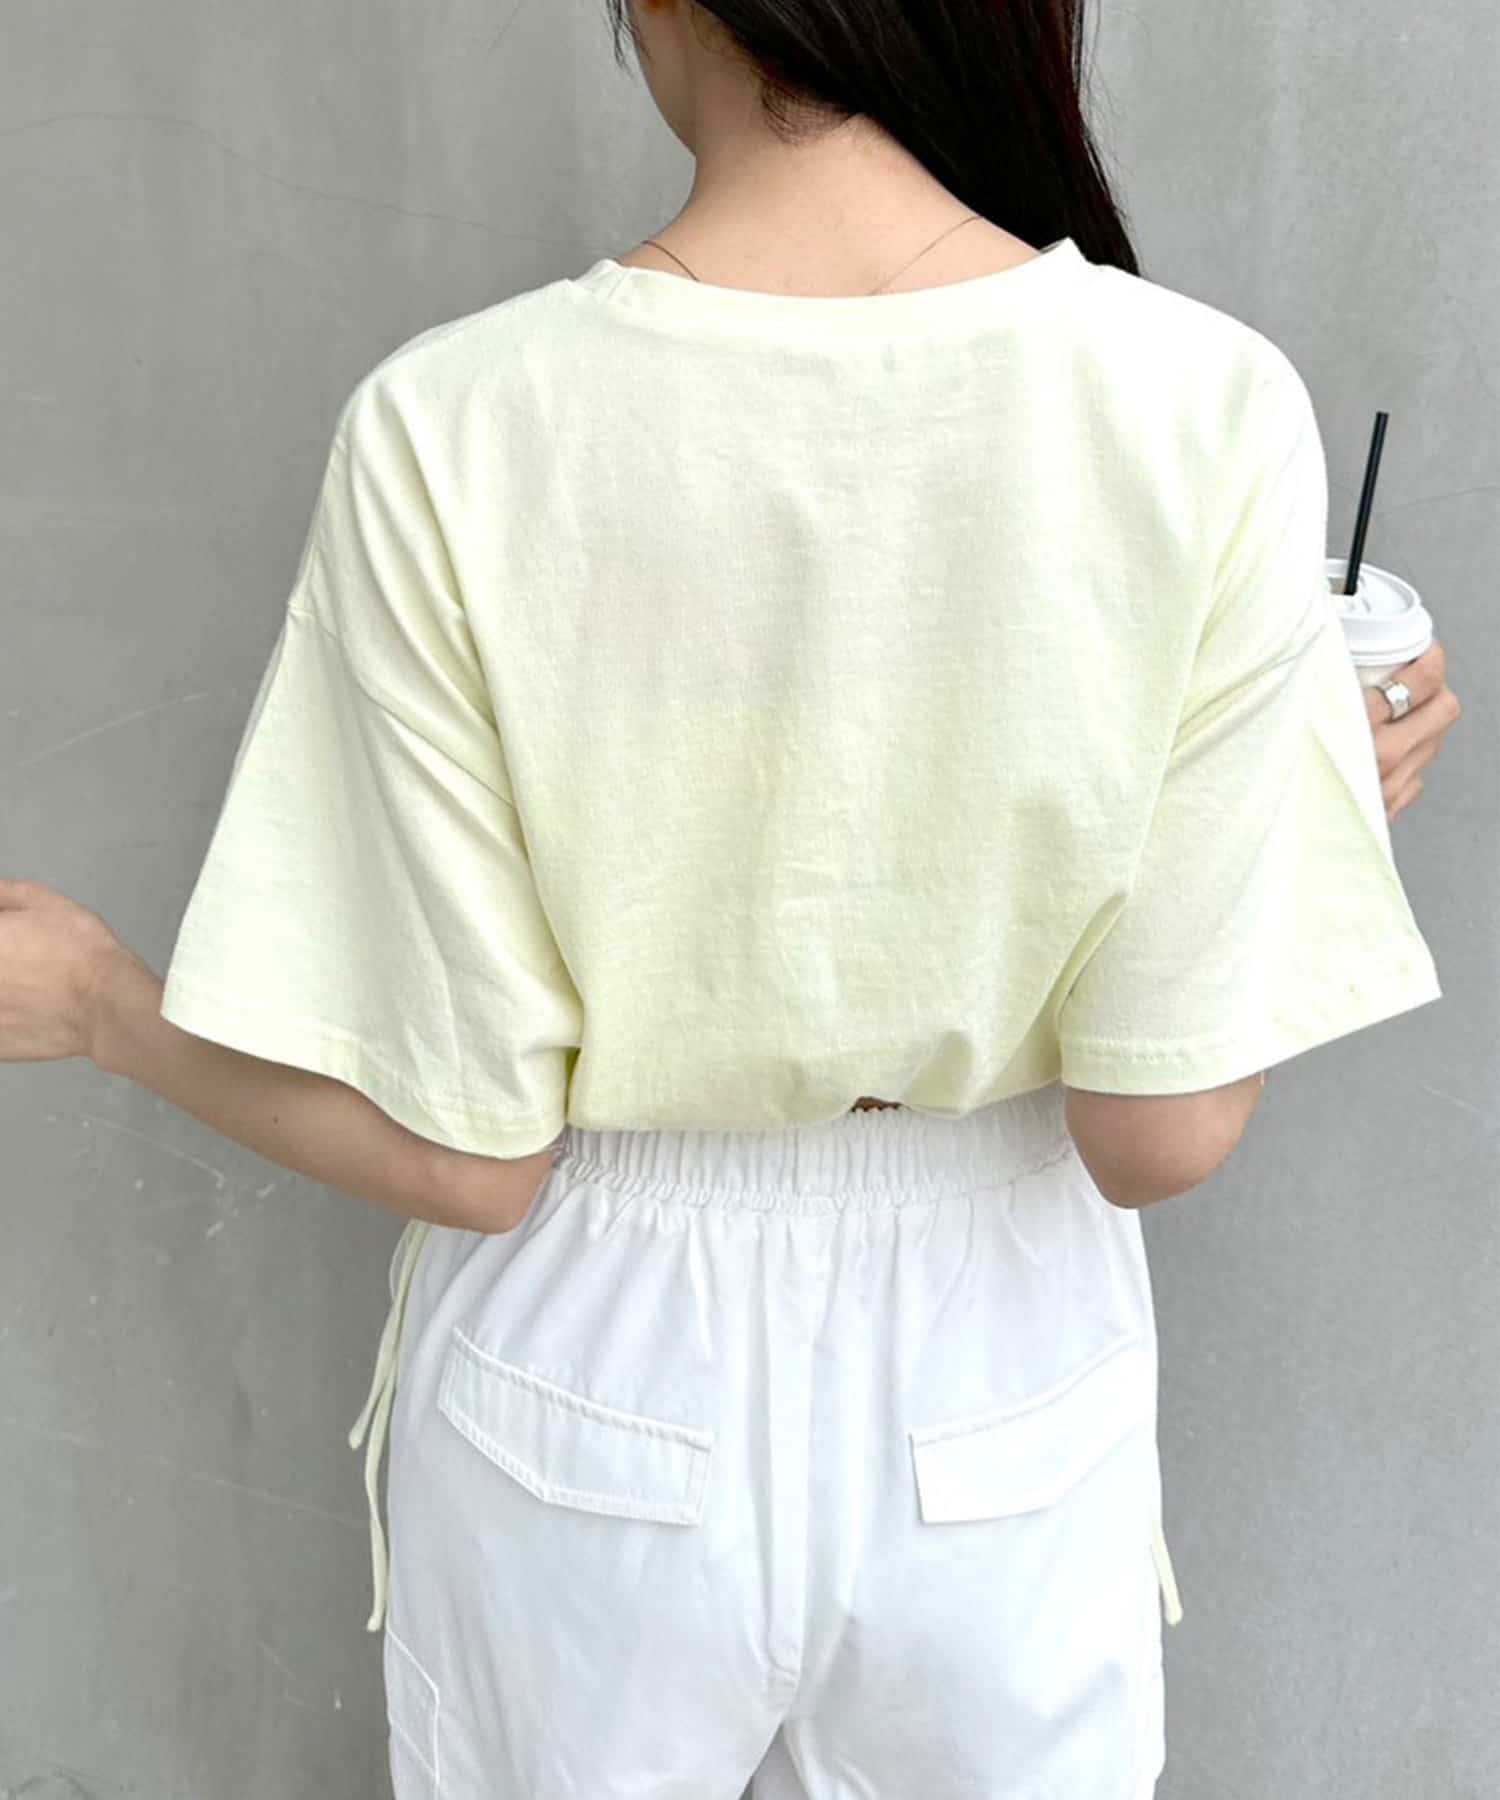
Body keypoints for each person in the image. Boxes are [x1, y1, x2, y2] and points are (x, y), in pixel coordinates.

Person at [0, 0, 1464, 1794]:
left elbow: (476, 1160)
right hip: (1005, 1381)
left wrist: (102, 1006)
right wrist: (1300, 808)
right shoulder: (1207, 403)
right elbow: (1157, 1132)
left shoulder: (456, 424)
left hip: (587, 1365)